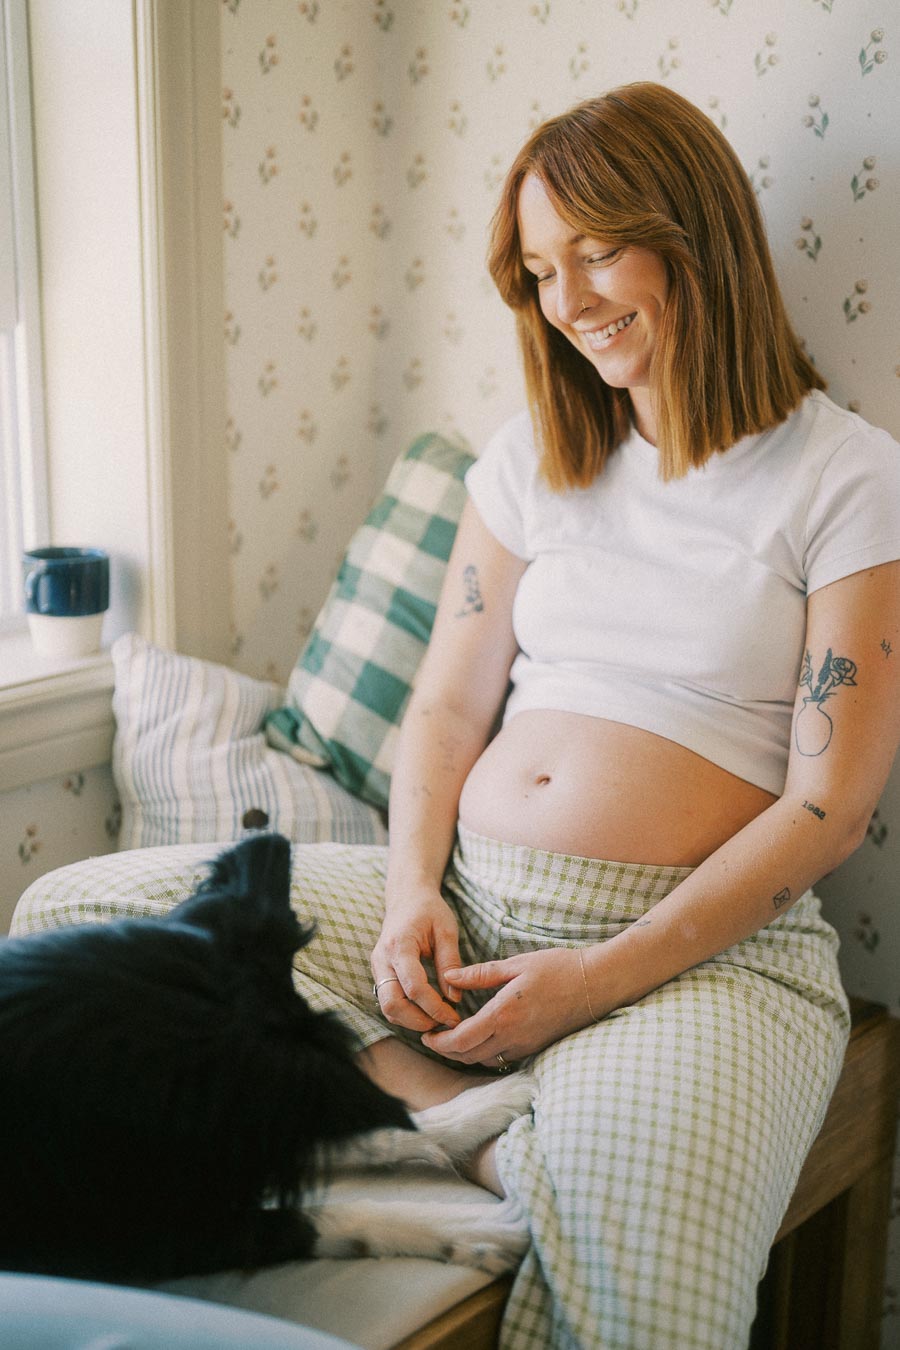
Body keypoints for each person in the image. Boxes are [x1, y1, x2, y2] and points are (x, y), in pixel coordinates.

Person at [291, 82, 900, 1348]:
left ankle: (526, 1138)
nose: (567, 301)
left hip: (691, 960)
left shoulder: (845, 475)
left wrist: (588, 986)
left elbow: (831, 806)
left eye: (597, 251)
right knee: (91, 921)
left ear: (694, 234)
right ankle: (474, 1130)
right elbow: (447, 705)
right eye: (538, 271)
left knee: (647, 1309)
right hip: (475, 905)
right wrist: (410, 896)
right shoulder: (531, 457)